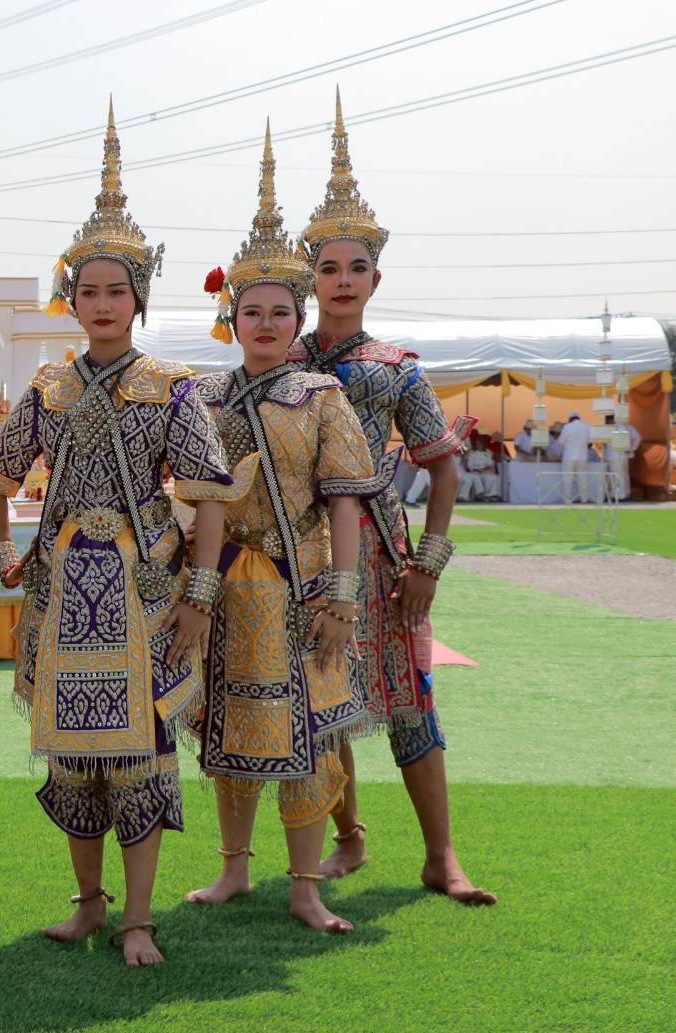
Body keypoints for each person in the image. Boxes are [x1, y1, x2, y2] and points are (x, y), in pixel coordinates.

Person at [0, 104, 242, 968]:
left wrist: (199, 595)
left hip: (144, 591)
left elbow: (208, 497)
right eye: (86, 291)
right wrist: (4, 555)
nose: (99, 304)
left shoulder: (171, 385)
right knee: (71, 756)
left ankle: (137, 916)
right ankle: (88, 903)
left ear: (137, 299)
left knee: (141, 752)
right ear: (71, 298)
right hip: (62, 592)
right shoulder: (47, 388)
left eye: (115, 291)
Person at [290, 89, 494, 905]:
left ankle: (440, 855)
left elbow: (442, 468)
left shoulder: (397, 369)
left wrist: (428, 564)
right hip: (301, 549)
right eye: (327, 268)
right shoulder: (281, 361)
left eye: (355, 269)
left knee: (410, 702)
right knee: (320, 695)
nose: (341, 281)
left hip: (381, 552)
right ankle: (347, 836)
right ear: (309, 276)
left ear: (376, 277)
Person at [183, 126, 377, 934]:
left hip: (300, 583)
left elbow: (345, 501)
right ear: (229, 318)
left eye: (278, 313)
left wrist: (343, 596)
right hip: (225, 587)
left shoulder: (320, 397)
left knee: (308, 735)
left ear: (297, 319)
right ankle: (233, 868)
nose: (263, 324)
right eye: (250, 312)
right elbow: (189, 497)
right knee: (227, 727)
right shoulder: (202, 397)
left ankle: (304, 885)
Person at [558, 411, 593, 502]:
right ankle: (584, 499)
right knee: (583, 478)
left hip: (569, 456)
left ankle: (568, 499)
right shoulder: (587, 427)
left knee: (567, 478)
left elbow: (560, 441)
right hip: (582, 456)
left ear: (570, 419)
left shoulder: (567, 427)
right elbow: (589, 441)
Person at [457, 430, 501, 502]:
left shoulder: (487, 453)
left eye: (480, 444)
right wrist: (477, 470)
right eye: (477, 444)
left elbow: (490, 463)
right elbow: (469, 465)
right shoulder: (472, 453)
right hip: (475, 471)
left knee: (493, 478)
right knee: (475, 478)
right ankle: (480, 495)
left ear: (483, 445)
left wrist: (484, 468)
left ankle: (491, 495)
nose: (479, 445)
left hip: (485, 471)